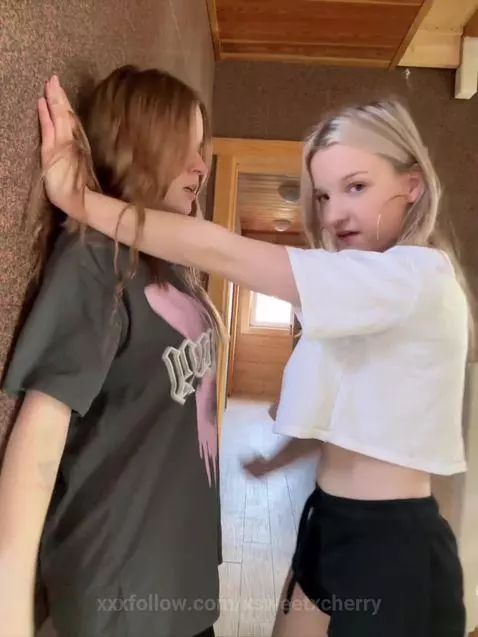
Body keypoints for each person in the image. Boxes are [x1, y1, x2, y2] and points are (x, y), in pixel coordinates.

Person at [37, 76, 472, 637]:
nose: (335, 213)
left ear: (412, 186)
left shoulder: (418, 276)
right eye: (323, 195)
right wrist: (282, 456)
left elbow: (227, 255)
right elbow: (357, 411)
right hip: (329, 519)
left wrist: (78, 199)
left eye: (357, 186)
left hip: (393, 545)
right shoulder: (364, 291)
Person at [0, 67, 224, 637]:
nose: (201, 166)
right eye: (186, 147)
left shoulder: (168, 256)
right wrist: (10, 620)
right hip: (120, 599)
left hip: (181, 585)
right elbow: (40, 439)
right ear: (141, 146)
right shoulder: (97, 262)